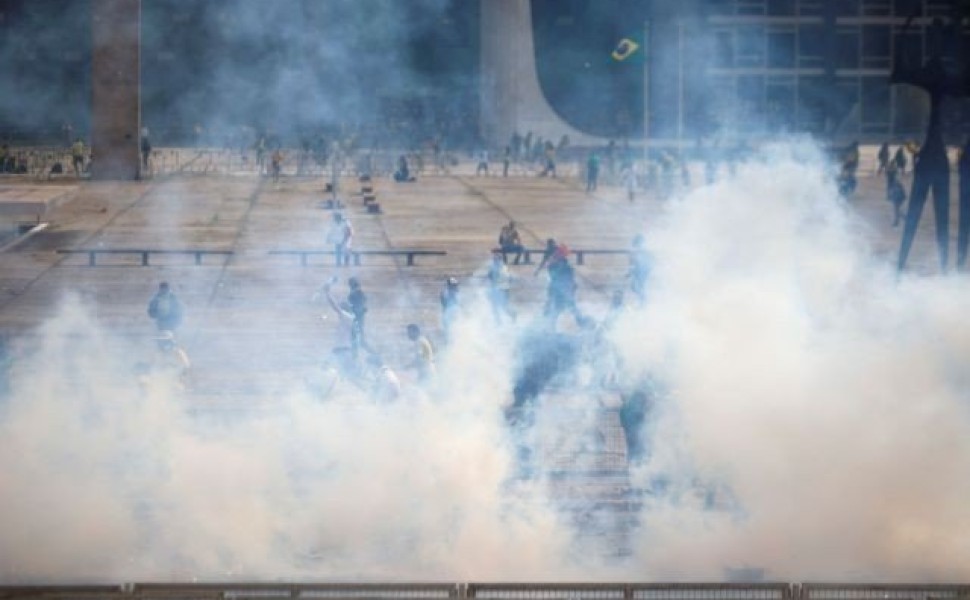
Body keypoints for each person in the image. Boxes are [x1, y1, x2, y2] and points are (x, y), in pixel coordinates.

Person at [487, 251, 516, 324]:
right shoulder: (502, 266)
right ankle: (500, 321)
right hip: (501, 289)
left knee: (500, 307)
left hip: (500, 290)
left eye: (495, 257)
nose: (493, 258)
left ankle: (511, 316)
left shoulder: (499, 267)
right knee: (497, 307)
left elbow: (491, 276)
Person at [628, 234, 651, 305]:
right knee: (635, 286)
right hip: (639, 270)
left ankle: (643, 302)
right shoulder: (635, 250)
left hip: (641, 270)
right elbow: (632, 262)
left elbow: (633, 261)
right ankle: (642, 301)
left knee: (637, 286)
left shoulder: (639, 250)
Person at [439, 276, 460, 344]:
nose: (454, 287)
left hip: (454, 315)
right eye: (452, 285)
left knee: (456, 333)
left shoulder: (456, 294)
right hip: (448, 316)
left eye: (454, 285)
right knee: (449, 334)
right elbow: (444, 305)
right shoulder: (445, 294)